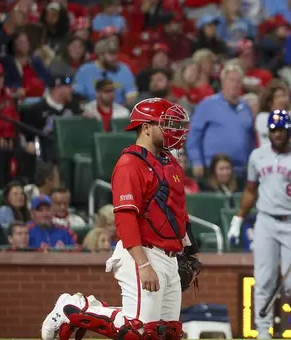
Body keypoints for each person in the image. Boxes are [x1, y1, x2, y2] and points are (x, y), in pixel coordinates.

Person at [40, 98, 202, 340]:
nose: (174, 131)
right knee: (137, 330)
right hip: (143, 253)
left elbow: (178, 213)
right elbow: (126, 218)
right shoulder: (130, 164)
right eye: (166, 124)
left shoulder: (171, 164)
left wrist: (191, 251)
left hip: (170, 256)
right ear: (146, 127)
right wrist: (143, 265)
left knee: (167, 332)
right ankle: (72, 309)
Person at [226, 110, 291, 339]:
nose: (276, 134)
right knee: (263, 279)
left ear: (289, 131)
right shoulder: (258, 155)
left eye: (280, 130)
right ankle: (262, 330)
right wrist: (238, 218)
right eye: (273, 130)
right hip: (265, 221)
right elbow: (250, 189)